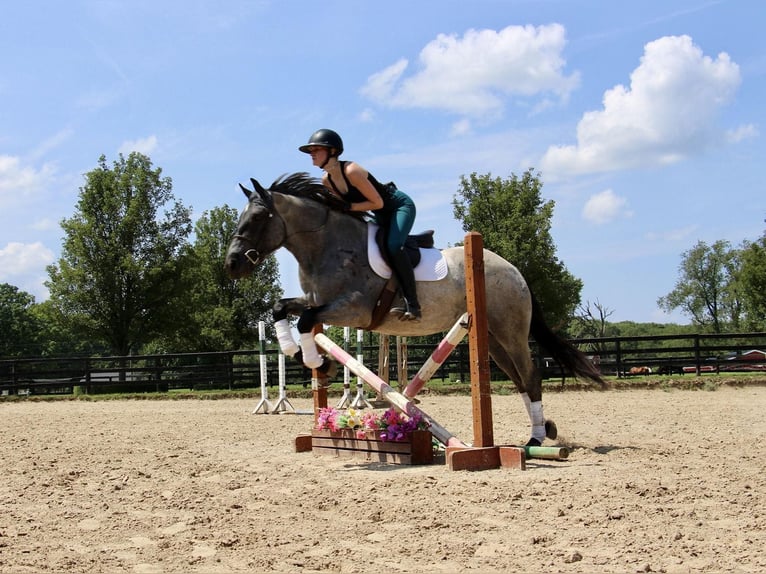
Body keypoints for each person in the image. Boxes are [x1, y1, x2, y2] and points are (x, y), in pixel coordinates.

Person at [299, 128, 422, 321]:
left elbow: (377, 203)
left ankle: (413, 305)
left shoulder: (351, 170)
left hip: (398, 207)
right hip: (378, 215)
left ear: (332, 151)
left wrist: (348, 206)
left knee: (393, 246)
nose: (312, 154)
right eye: (311, 151)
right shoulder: (327, 180)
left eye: (316, 149)